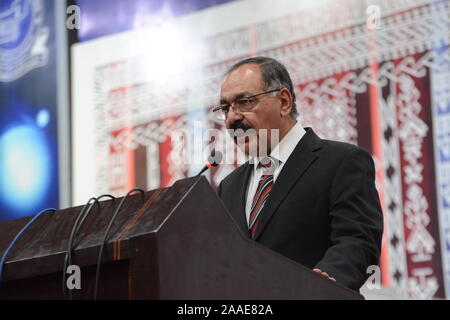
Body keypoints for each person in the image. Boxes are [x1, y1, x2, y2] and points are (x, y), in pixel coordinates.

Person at [215, 56, 383, 291]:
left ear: (284, 102)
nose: (232, 117)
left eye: (244, 102)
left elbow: (357, 242)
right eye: (225, 108)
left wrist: (319, 287)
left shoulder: (341, 161)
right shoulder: (229, 186)